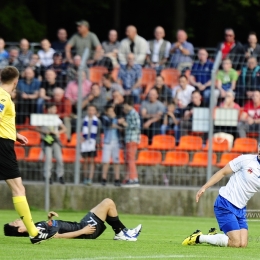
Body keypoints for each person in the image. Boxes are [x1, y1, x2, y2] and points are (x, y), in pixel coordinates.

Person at [0, 66, 57, 244]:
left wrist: (15, 134)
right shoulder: (3, 96)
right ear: (16, 81)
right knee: (18, 188)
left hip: (5, 140)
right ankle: (34, 233)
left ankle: (33, 232)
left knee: (18, 187)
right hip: (2, 145)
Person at [182, 147, 260, 248]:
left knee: (243, 244)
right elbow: (222, 172)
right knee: (235, 243)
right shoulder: (246, 160)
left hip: (241, 208)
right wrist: (204, 187)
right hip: (225, 203)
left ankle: (214, 236)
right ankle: (198, 238)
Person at [4, 198, 142, 241]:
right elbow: (58, 236)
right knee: (108, 203)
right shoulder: (36, 231)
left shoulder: (36, 227)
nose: (18, 219)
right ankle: (121, 233)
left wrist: (49, 218)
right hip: (85, 230)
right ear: (21, 229)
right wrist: (83, 230)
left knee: (107, 203)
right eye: (16, 222)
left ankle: (122, 232)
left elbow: (52, 228)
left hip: (81, 225)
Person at [36, 103, 66, 184]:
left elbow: (64, 128)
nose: (53, 111)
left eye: (54, 109)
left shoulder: (57, 119)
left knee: (59, 159)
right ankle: (47, 176)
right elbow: (37, 128)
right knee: (48, 159)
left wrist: (57, 132)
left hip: (55, 140)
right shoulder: (43, 118)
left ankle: (60, 175)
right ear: (48, 109)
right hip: (46, 140)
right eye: (51, 109)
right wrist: (44, 131)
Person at [118, 97, 141, 186]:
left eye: (125, 105)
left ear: (128, 105)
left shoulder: (134, 113)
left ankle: (134, 179)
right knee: (128, 159)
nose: (124, 107)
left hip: (132, 139)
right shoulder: (129, 114)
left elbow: (137, 126)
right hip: (128, 139)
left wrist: (125, 124)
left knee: (131, 159)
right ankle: (129, 179)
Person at [101, 105, 121, 186]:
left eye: (112, 111)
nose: (111, 113)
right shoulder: (105, 118)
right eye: (110, 111)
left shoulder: (117, 119)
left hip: (116, 142)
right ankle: (104, 178)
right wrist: (118, 124)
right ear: (106, 112)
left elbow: (123, 126)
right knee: (106, 161)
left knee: (116, 161)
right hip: (107, 142)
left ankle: (117, 179)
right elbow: (109, 124)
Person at [81, 105, 99, 185]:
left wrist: (98, 142)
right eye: (89, 110)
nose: (91, 112)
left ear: (95, 111)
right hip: (84, 143)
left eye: (93, 110)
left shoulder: (98, 121)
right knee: (85, 161)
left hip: (93, 142)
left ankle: (90, 178)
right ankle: (85, 177)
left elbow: (98, 133)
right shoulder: (83, 121)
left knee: (92, 160)